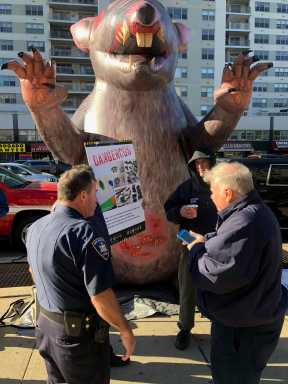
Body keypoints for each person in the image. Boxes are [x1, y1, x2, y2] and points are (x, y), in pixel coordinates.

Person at [26, 165, 135, 384]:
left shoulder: (36, 226)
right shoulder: (85, 233)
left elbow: (33, 271)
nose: (97, 200)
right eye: (95, 193)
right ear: (83, 195)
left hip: (46, 329)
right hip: (77, 340)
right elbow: (101, 296)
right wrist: (124, 329)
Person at [185, 162, 288, 384]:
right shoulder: (252, 212)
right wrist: (207, 241)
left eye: (213, 192)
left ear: (227, 193)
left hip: (243, 329)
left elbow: (213, 274)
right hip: (253, 317)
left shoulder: (244, 220)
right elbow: (235, 251)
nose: (211, 198)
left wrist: (195, 250)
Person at [164, 149, 218, 350]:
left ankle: (219, 327)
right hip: (188, 242)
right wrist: (180, 211)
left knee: (216, 288)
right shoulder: (186, 188)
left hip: (215, 245)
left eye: (204, 162)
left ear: (212, 162)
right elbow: (168, 210)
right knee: (187, 288)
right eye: (197, 164)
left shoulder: (221, 186)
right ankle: (185, 328)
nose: (201, 166)